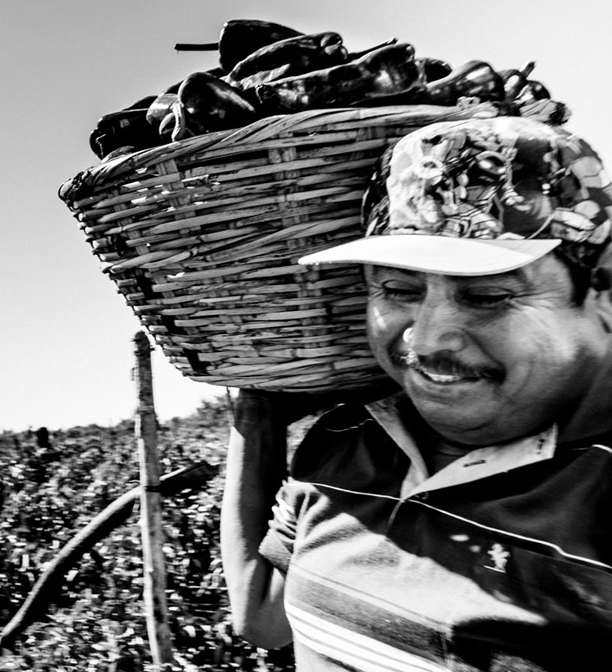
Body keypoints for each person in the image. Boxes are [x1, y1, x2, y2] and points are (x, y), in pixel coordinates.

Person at [220, 116, 612, 670]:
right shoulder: (348, 440)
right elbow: (262, 615)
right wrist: (257, 416)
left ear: (602, 292)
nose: (426, 340)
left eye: (487, 295)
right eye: (398, 289)